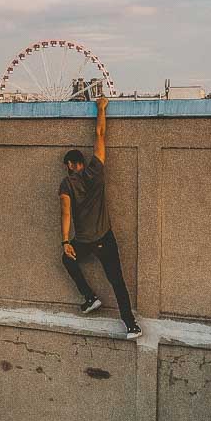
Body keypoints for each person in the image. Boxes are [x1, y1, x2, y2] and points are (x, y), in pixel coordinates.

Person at [59, 96, 142, 338]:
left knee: (67, 260)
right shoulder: (96, 170)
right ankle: (131, 325)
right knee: (117, 282)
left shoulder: (66, 184)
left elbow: (65, 213)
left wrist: (66, 242)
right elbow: (99, 134)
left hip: (83, 240)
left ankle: (90, 297)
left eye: (67, 165)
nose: (67, 169)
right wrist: (101, 108)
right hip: (105, 237)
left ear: (72, 164)